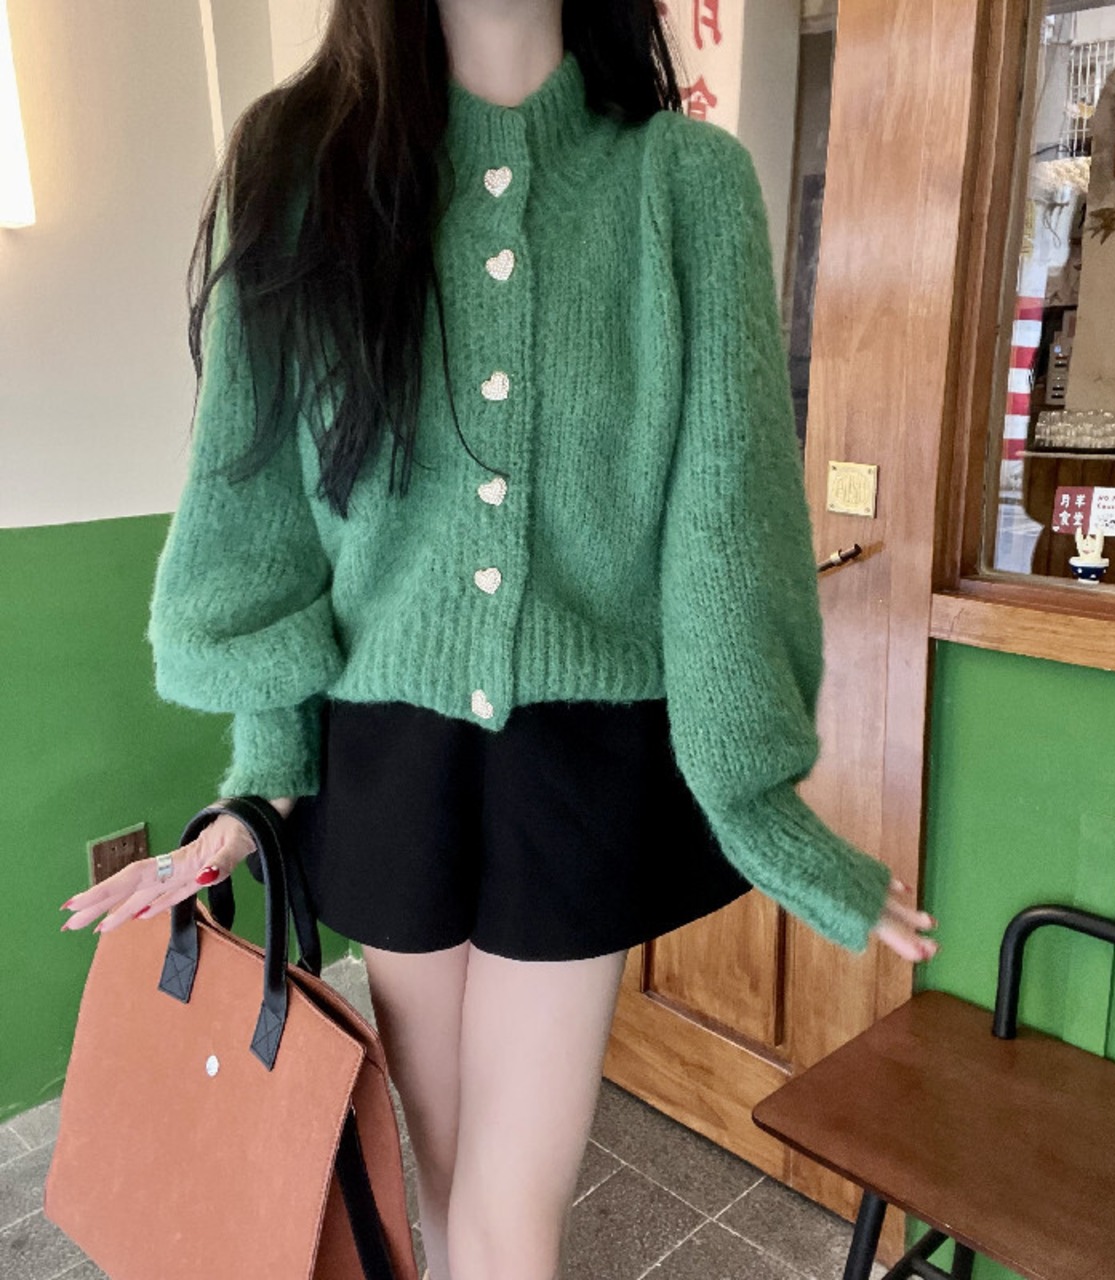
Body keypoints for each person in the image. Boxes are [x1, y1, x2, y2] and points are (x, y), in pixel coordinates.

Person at [59, 2, 937, 1277]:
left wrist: (759, 804)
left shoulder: (683, 185)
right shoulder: (303, 168)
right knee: (445, 1181)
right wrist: (257, 789)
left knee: (511, 1216)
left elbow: (726, 521)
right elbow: (266, 514)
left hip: (579, 766)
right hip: (383, 764)